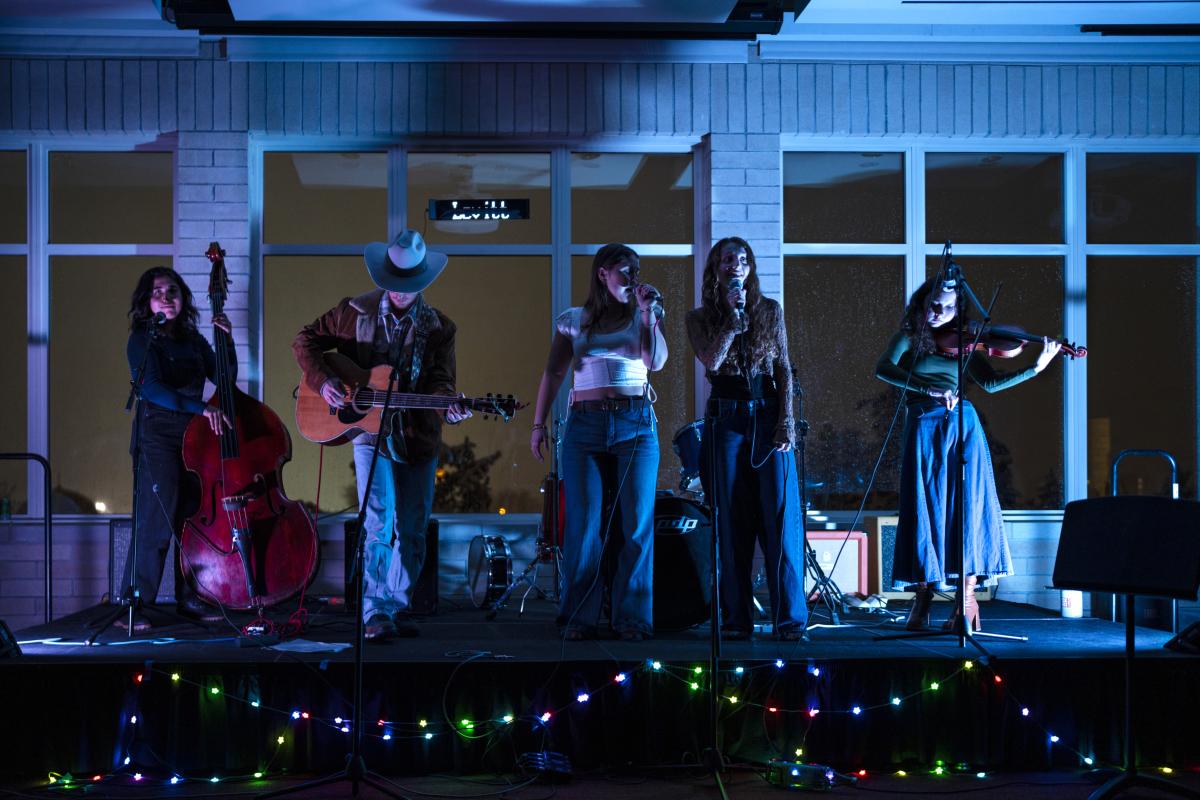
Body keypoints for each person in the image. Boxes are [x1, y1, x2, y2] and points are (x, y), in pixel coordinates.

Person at [293, 230, 471, 641]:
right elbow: (305, 341)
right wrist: (323, 383)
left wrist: (450, 405)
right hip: (369, 433)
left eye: (410, 288)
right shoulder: (352, 312)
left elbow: (442, 381)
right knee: (377, 520)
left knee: (412, 525)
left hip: (417, 435)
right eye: (394, 285)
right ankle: (375, 611)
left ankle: (395, 604)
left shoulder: (439, 328)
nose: (401, 294)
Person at [875, 277, 1061, 632]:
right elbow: (884, 368)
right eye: (933, 303)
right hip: (923, 426)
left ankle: (967, 601)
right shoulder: (910, 336)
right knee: (924, 509)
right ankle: (924, 597)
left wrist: (1036, 367)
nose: (937, 312)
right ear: (921, 301)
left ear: (958, 310)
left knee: (967, 508)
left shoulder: (967, 342)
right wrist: (926, 387)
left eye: (947, 307)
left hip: (962, 428)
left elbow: (990, 383)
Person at [530, 244, 667, 641]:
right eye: (626, 271)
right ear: (603, 273)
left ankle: (633, 619)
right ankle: (579, 617)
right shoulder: (575, 320)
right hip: (585, 425)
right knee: (584, 525)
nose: (634, 278)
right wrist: (538, 424)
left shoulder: (645, 315)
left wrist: (648, 314)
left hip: (635, 424)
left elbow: (655, 362)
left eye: (637, 270)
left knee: (636, 524)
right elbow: (554, 373)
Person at [685, 237, 808, 642]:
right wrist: (732, 323)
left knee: (779, 521)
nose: (735, 266)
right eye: (727, 261)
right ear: (716, 270)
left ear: (750, 268)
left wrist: (787, 420)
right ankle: (737, 621)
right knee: (731, 524)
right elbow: (711, 362)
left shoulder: (770, 311)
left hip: (768, 414)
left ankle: (789, 621)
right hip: (726, 419)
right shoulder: (699, 317)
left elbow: (785, 369)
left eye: (742, 260)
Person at [120, 266, 234, 631]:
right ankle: (135, 604)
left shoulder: (194, 341)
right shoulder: (142, 340)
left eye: (173, 291)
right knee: (158, 519)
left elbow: (224, 379)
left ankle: (191, 598)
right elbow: (151, 389)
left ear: (183, 298)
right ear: (146, 302)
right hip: (157, 434)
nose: (166, 297)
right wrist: (201, 408)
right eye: (158, 292)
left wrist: (225, 341)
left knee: (191, 519)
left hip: (192, 434)